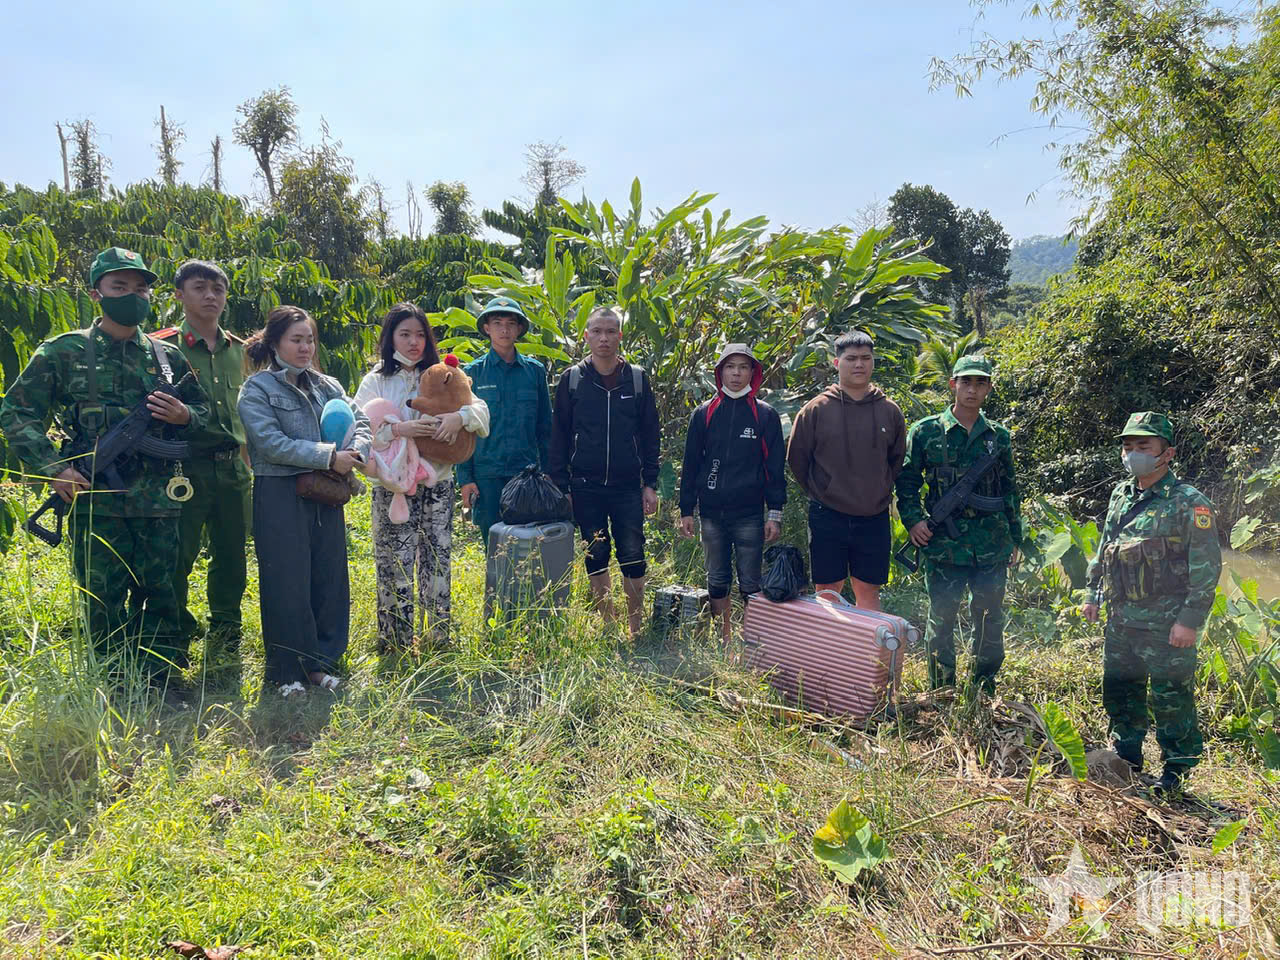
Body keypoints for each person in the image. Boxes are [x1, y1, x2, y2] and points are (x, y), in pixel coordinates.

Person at [0, 247, 209, 684]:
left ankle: (162, 678)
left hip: (159, 500)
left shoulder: (166, 356)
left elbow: (209, 418)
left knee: (163, 592)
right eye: (119, 287)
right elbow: (16, 412)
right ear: (97, 293)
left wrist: (185, 416)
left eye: (140, 288)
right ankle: (112, 682)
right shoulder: (63, 351)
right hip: (95, 499)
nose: (132, 295)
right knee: (102, 598)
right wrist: (54, 467)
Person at [1082, 412, 1221, 795]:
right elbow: (1105, 549)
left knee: (1171, 697)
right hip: (1121, 619)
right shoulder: (1120, 495)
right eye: (1128, 446)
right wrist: (1092, 594)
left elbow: (1206, 568)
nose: (1133, 453)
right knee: (1121, 690)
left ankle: (1176, 770)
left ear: (1167, 453)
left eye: (1143, 446)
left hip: (1166, 623)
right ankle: (1126, 757)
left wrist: (1189, 621)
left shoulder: (1189, 503)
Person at [237, 306, 371, 697]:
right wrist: (329, 455)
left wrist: (355, 451)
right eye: (296, 339)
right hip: (280, 491)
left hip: (326, 491)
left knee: (328, 577)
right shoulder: (258, 389)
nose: (305, 347)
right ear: (275, 342)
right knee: (285, 580)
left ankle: (320, 663)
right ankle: (285, 671)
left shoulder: (328, 385)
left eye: (309, 339)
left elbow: (360, 421)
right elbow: (269, 443)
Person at [354, 303, 490, 649]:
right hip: (393, 488)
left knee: (438, 559)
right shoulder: (376, 381)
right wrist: (401, 428)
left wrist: (459, 418)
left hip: (438, 483)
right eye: (405, 334)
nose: (414, 342)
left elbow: (482, 411)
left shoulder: (443, 373)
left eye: (419, 334)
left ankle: (436, 641)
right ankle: (395, 641)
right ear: (390, 338)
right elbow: (359, 435)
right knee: (393, 563)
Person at [895, 355, 1023, 692]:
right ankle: (943, 690)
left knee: (989, 620)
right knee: (942, 620)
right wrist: (912, 521)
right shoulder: (925, 431)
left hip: (991, 545)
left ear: (989, 388)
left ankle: (984, 687)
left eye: (981, 382)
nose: (972, 388)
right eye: (966, 381)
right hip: (944, 545)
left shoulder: (999, 437)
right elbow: (906, 481)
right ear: (953, 384)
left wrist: (1016, 538)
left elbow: (1010, 489)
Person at [152, 260, 250, 673]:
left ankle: (226, 629)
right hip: (183, 471)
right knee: (180, 554)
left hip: (234, 470)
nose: (211, 296)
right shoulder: (159, 347)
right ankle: (176, 631)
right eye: (199, 288)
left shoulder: (242, 351)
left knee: (232, 555)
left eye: (218, 289)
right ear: (180, 295)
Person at [549, 306, 661, 637]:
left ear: (620, 336)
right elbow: (559, 435)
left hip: (628, 486)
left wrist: (650, 483)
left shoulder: (637, 379)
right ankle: (608, 623)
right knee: (595, 553)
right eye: (597, 331)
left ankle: (636, 626)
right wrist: (562, 484)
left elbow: (651, 434)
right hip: (585, 485)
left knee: (633, 553)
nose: (604, 338)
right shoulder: (572, 380)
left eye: (611, 331)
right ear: (586, 336)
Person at [786, 330, 906, 610]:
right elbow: (797, 459)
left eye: (866, 358)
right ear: (837, 363)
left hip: (873, 516)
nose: (859, 364)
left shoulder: (889, 410)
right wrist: (823, 490)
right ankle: (829, 653)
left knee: (868, 590)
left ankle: (870, 655)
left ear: (873, 362)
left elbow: (897, 460)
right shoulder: (815, 409)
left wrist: (878, 490)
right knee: (827, 591)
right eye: (851, 358)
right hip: (828, 514)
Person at [678, 344, 785, 639]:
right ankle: (724, 637)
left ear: (753, 372)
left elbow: (775, 469)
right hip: (711, 512)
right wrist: (686, 509)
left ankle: (749, 637)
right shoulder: (704, 414)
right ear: (720, 372)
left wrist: (774, 514)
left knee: (750, 581)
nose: (736, 373)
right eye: (730, 366)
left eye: (743, 367)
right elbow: (691, 464)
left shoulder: (765, 415)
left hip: (750, 512)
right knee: (717, 577)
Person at [456, 296, 552, 552]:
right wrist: (465, 479)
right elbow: (463, 431)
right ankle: (495, 593)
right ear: (486, 328)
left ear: (520, 329)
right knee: (494, 546)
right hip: (488, 474)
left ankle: (524, 594)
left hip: (526, 474)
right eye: (497, 322)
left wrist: (552, 474)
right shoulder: (472, 373)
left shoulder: (535, 371)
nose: (504, 329)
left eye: (511, 323)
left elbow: (546, 429)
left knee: (527, 545)